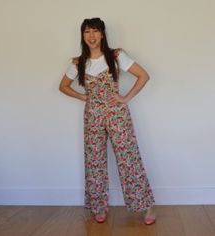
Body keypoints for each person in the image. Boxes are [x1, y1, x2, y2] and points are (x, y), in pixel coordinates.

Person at [59, 17, 156, 225]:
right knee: (95, 162)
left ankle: (146, 207)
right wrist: (83, 97)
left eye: (95, 31)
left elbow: (143, 76)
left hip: (117, 115)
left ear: (102, 34)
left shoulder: (116, 56)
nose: (91, 36)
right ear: (82, 35)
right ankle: (99, 206)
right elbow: (63, 86)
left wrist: (125, 98)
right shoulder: (78, 62)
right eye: (87, 32)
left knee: (129, 159)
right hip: (92, 116)